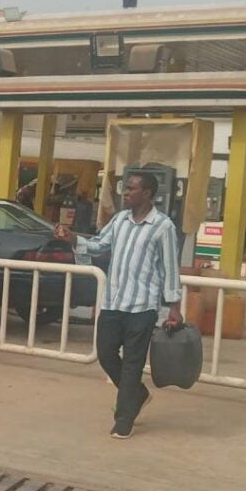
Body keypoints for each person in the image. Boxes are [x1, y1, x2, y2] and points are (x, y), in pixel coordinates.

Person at [54, 170, 182, 440]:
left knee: (133, 363)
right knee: (106, 353)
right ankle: (138, 393)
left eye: (131, 189)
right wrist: (72, 237)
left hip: (142, 307)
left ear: (147, 193)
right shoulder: (120, 220)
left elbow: (170, 270)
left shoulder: (163, 226)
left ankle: (123, 418)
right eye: (125, 188)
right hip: (113, 302)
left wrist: (174, 308)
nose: (125, 193)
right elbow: (100, 245)